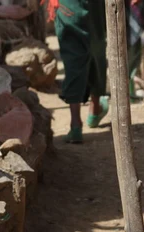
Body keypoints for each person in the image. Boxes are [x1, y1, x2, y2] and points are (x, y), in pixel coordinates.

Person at [50, 0, 109, 143]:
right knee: (97, 49)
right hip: (95, 7)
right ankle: (95, 109)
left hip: (69, 7)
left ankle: (75, 123)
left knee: (73, 59)